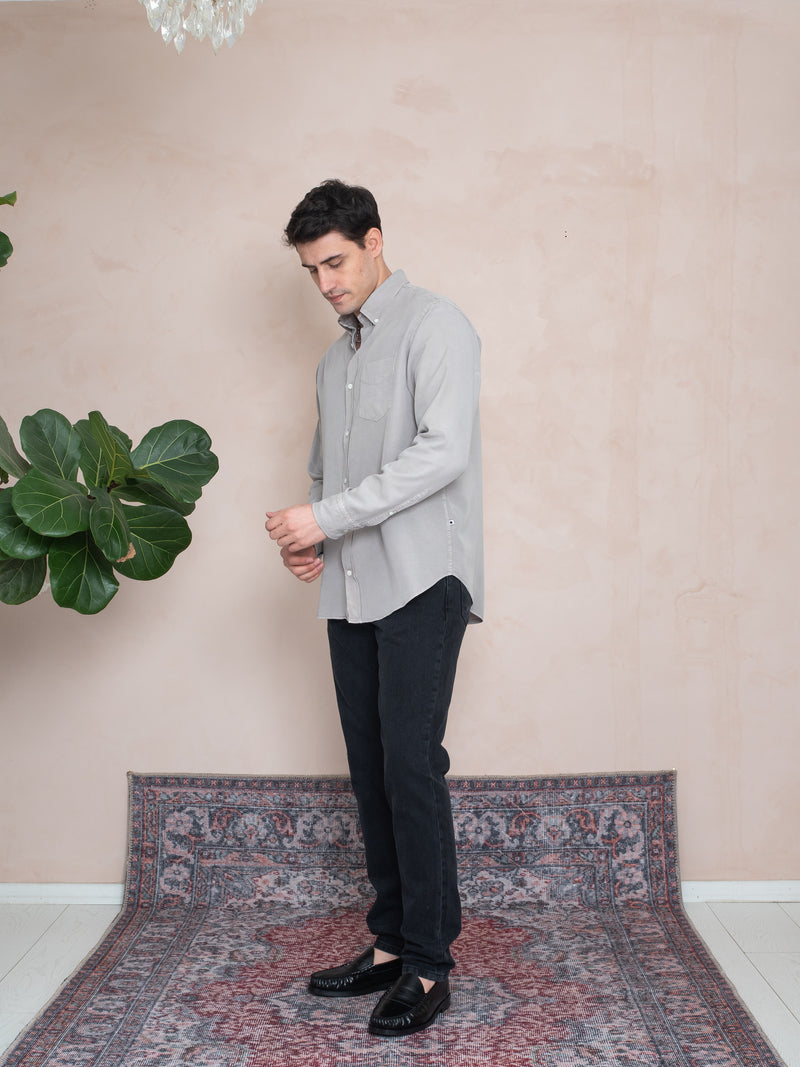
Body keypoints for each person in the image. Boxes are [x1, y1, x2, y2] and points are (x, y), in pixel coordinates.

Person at [265, 179, 483, 1038]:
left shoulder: (437, 326)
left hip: (424, 579)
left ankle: (428, 965)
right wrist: (310, 539)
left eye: (335, 262)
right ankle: (392, 942)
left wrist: (325, 516)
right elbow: (330, 473)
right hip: (352, 585)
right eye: (312, 271)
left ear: (375, 240)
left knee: (409, 766)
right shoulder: (334, 360)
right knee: (370, 768)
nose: (325, 283)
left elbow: (443, 453)